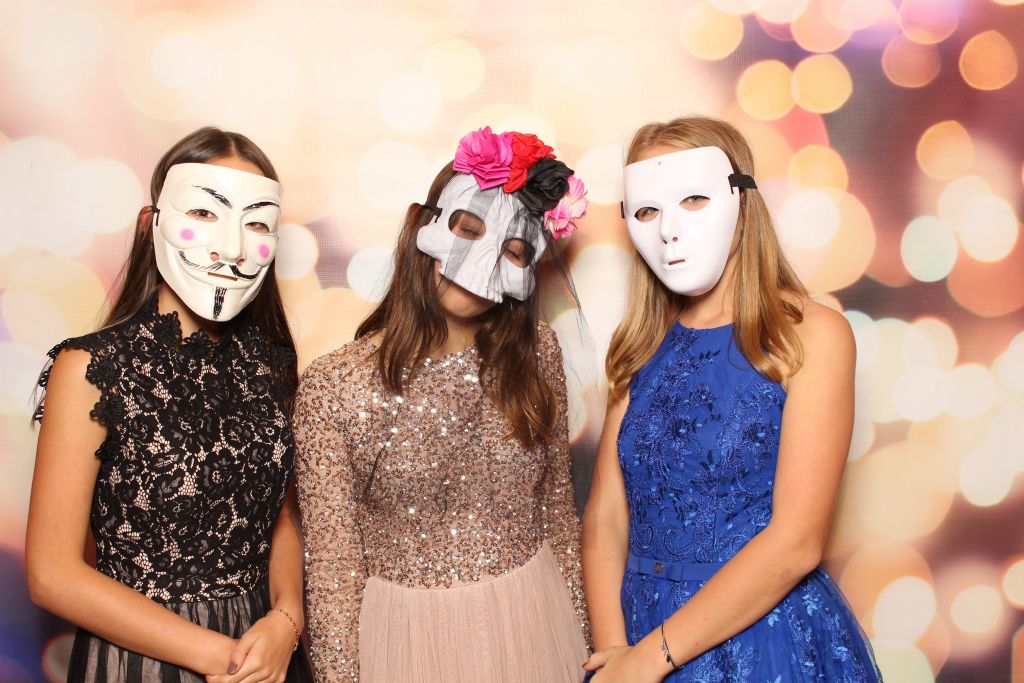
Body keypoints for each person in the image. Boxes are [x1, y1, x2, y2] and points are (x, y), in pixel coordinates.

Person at [581, 115, 881, 681]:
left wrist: (648, 660)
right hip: (637, 634)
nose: (669, 228)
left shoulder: (811, 335)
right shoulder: (641, 346)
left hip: (760, 638)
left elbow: (797, 542)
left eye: (694, 199)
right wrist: (615, 652)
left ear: (742, 201)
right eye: (646, 211)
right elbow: (606, 515)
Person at [293, 127, 591, 682]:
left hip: (532, 626)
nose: (482, 260)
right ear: (424, 227)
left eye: (513, 250)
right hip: (407, 645)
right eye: (467, 228)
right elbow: (333, 569)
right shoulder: (334, 387)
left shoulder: (537, 353)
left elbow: (557, 512)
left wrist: (582, 651)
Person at [26, 127, 313, 682]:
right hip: (144, 659)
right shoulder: (91, 368)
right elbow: (52, 573)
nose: (231, 246)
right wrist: (219, 657)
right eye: (204, 213)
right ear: (149, 224)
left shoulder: (270, 364)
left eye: (255, 223)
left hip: (264, 655)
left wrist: (287, 619)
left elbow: (279, 516)